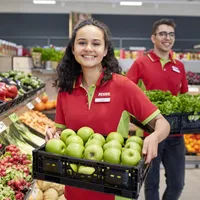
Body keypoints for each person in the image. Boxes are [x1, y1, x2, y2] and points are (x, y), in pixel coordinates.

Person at [46, 18, 170, 200]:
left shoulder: (122, 86)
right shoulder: (66, 90)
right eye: (82, 43)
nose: (88, 48)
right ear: (73, 49)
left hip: (114, 189)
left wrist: (155, 136)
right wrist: (52, 134)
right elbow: (61, 131)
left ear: (105, 51)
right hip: (75, 188)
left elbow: (163, 123)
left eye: (96, 43)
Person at [127, 18, 188, 200]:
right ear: (153, 38)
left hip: (176, 135)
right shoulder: (141, 63)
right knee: (151, 184)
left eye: (171, 34)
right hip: (150, 134)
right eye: (162, 34)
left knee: (177, 184)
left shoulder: (179, 66)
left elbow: (183, 96)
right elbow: (127, 90)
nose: (167, 38)